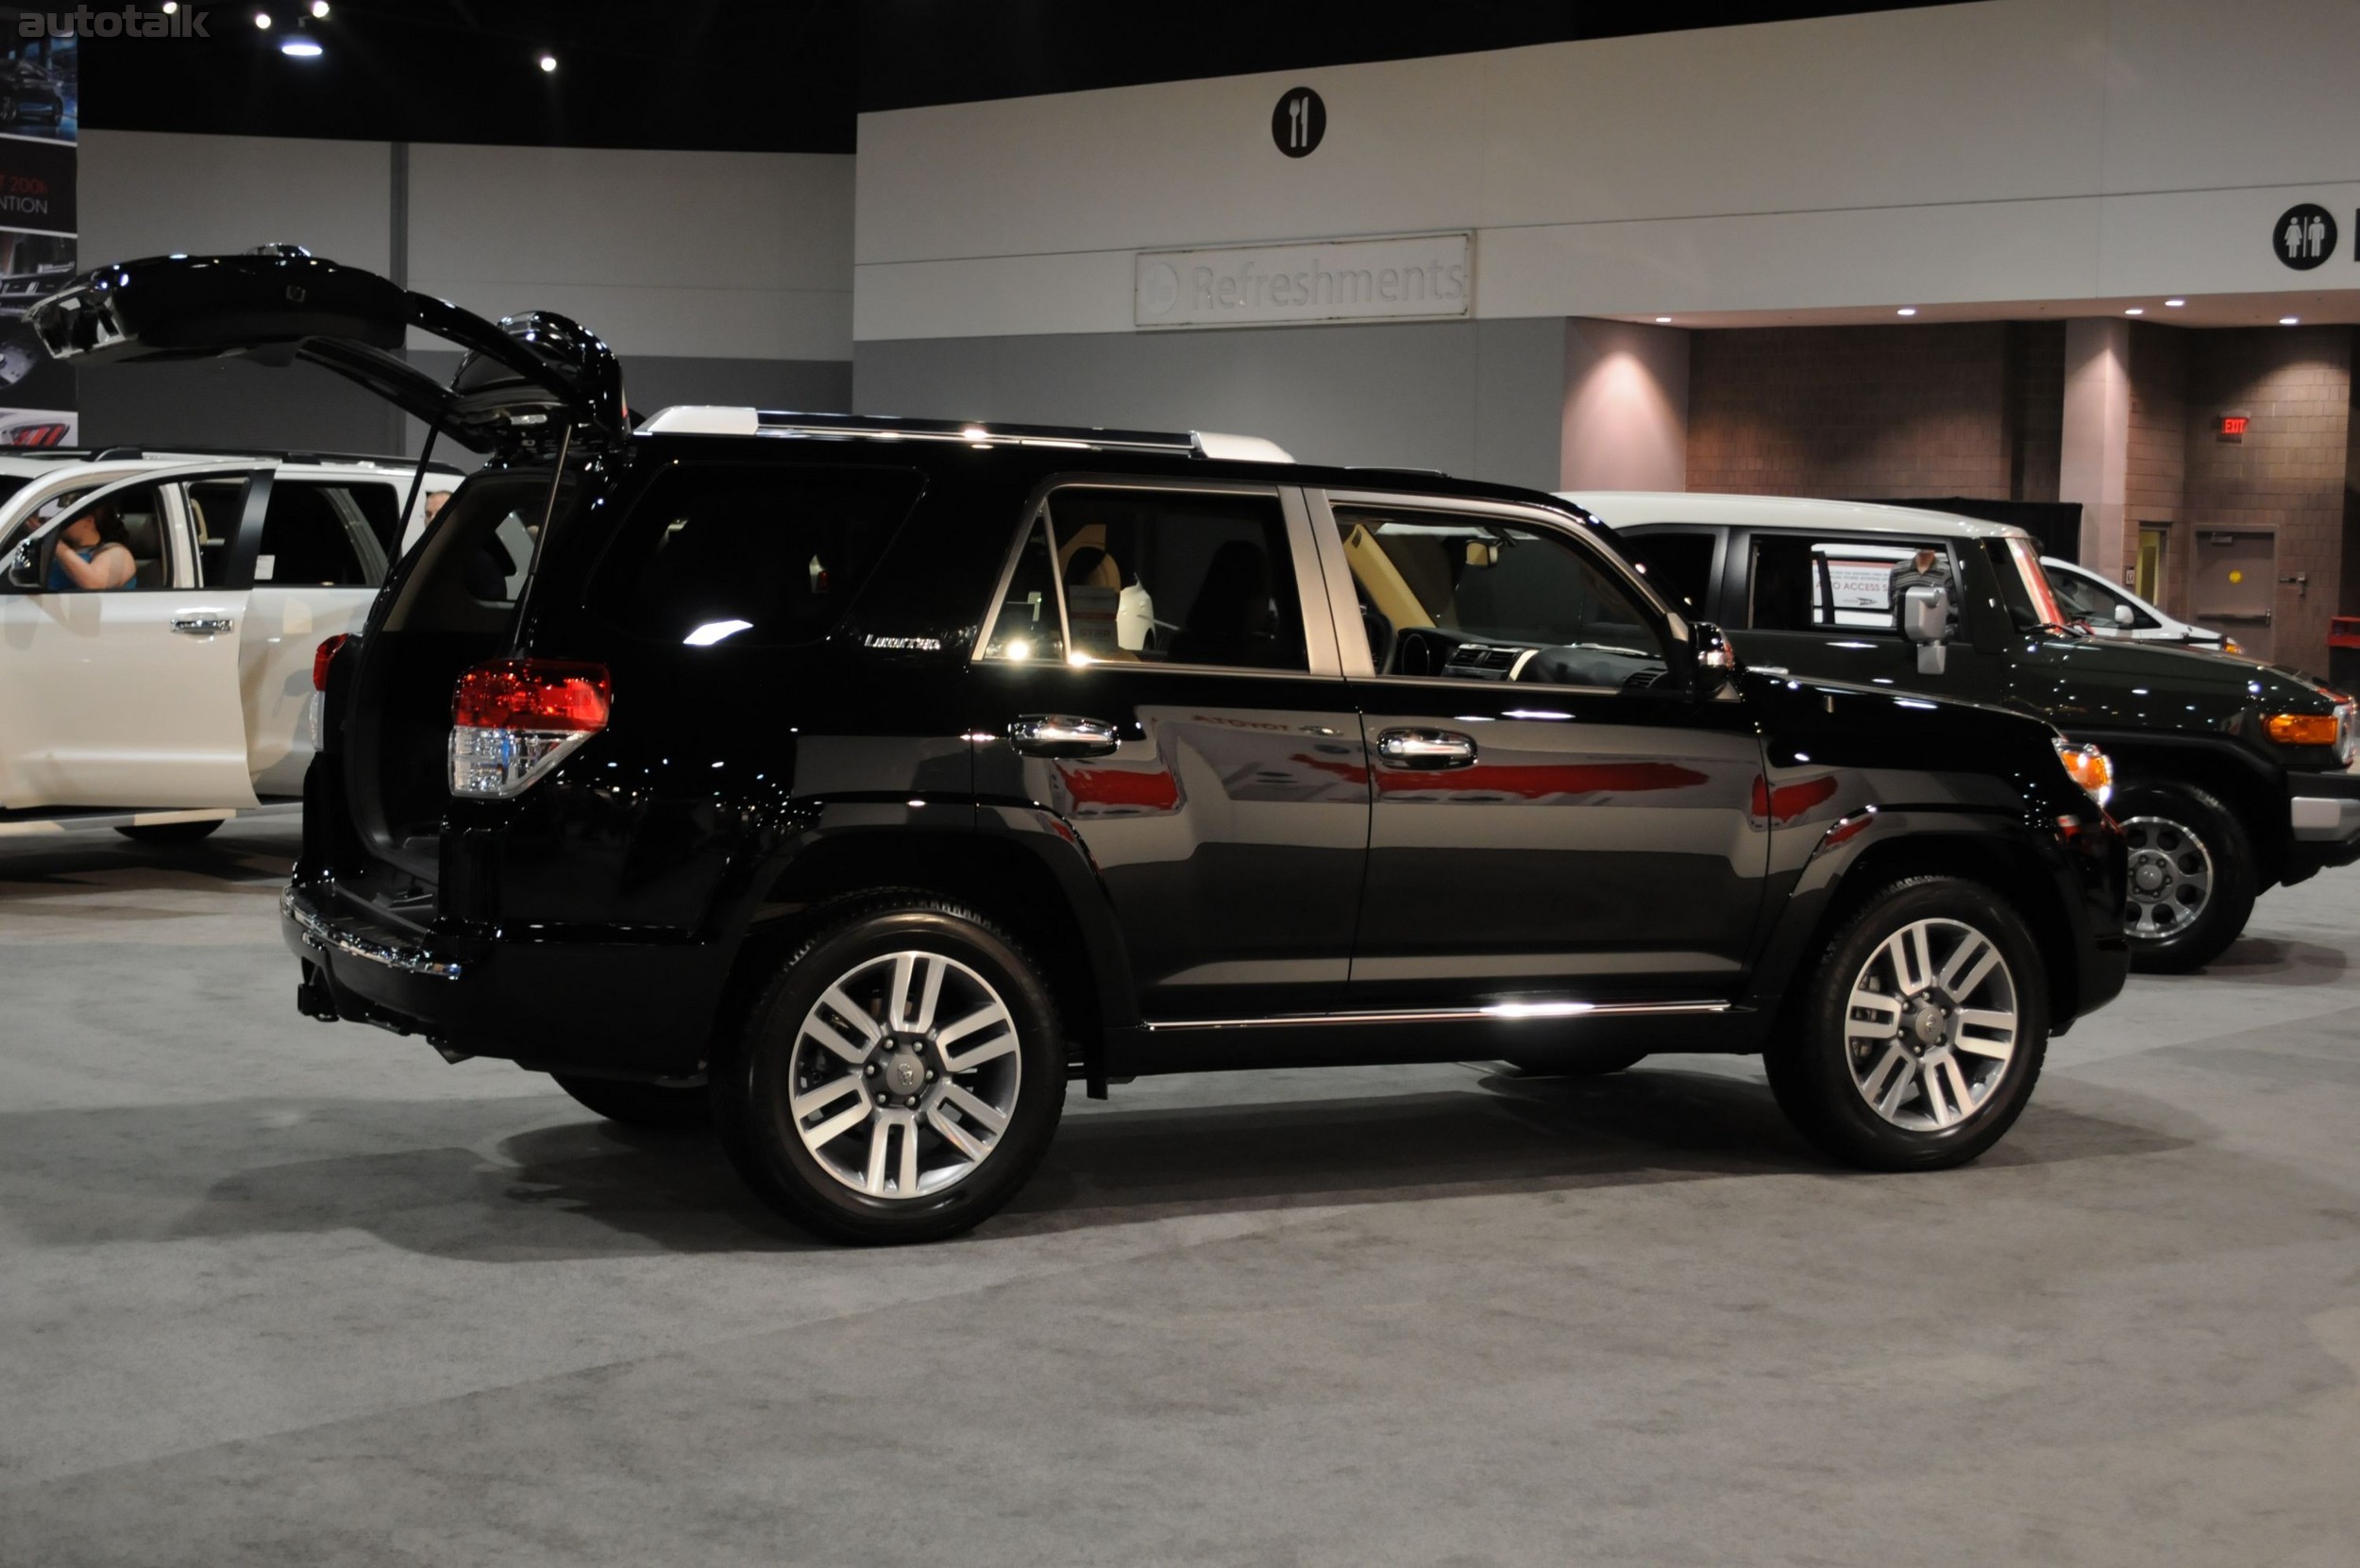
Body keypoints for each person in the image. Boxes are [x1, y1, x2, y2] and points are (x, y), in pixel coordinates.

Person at [44, 500, 137, 591]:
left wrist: (55, 543)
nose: (61, 522)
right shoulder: (60, 553)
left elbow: (94, 585)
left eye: (69, 518)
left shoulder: (118, 552)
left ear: (89, 521)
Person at [1888, 545, 1952, 630]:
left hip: (1933, 635)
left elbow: (1950, 608)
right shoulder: (1898, 569)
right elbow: (1892, 603)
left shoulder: (1947, 572)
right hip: (1899, 634)